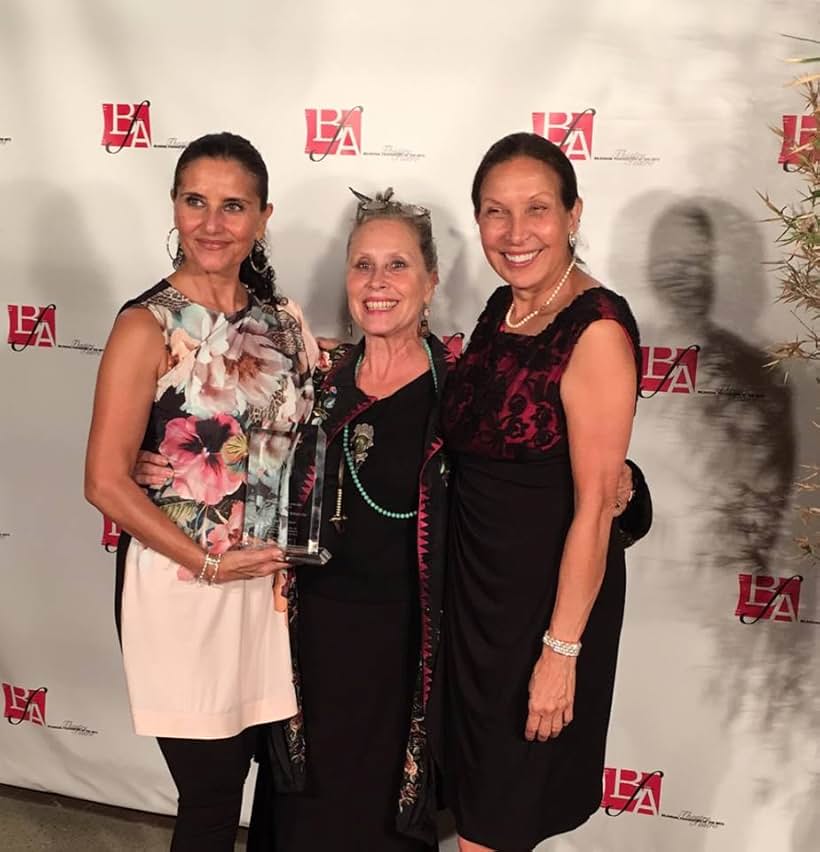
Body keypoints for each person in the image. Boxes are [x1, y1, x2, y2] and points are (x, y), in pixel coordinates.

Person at [84, 132, 317, 852]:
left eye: (233, 205)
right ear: (175, 208)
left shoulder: (283, 319)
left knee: (277, 782)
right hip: (184, 588)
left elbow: (317, 430)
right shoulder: (144, 325)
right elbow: (103, 481)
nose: (212, 223)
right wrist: (210, 560)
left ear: (263, 217)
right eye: (196, 201)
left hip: (273, 592)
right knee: (212, 799)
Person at [439, 132, 643, 852]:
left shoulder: (597, 330)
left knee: (495, 824)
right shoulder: (504, 307)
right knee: (478, 813)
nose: (515, 233)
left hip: (542, 608)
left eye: (536, 210)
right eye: (496, 212)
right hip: (476, 600)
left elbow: (594, 508)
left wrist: (561, 652)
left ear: (573, 214)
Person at [246, 188, 449, 851]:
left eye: (397, 265)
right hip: (309, 651)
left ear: (431, 280)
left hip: (406, 661)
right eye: (363, 265)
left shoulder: (464, 393)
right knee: (302, 822)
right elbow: (242, 469)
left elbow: (529, 490)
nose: (378, 283)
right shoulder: (317, 384)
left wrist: (621, 484)